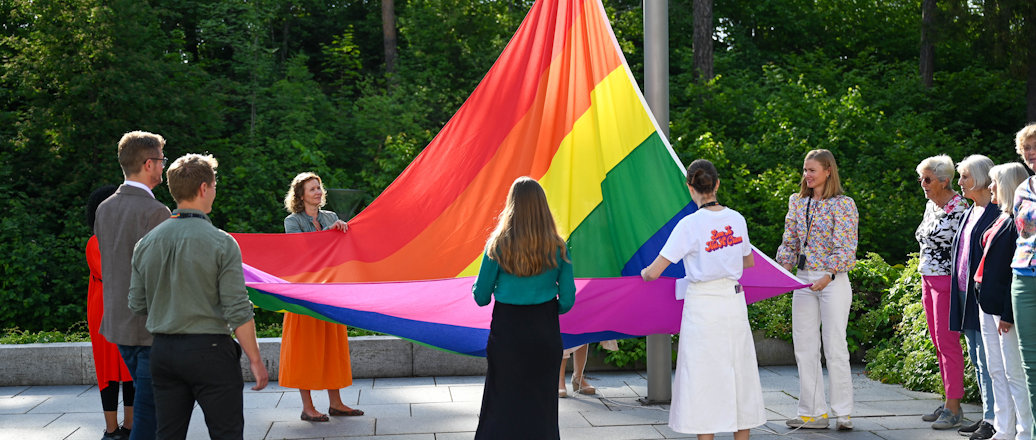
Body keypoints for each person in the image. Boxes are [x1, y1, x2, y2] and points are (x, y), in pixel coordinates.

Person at [128, 154, 269, 439]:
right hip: (211, 352)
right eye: (215, 185)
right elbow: (237, 309)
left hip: (163, 352)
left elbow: (137, 304)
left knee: (168, 434)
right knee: (226, 432)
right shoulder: (222, 242)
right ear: (204, 188)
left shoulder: (146, 243)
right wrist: (255, 359)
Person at [641, 159, 765, 440]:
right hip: (733, 304)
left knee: (702, 378)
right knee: (738, 374)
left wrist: (644, 273)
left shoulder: (689, 225)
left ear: (690, 188)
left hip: (702, 308)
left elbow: (655, 271)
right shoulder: (737, 219)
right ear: (717, 184)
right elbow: (748, 261)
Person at [472, 176, 575, 440]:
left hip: (507, 333)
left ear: (511, 205)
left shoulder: (497, 245)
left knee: (502, 402)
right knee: (541, 405)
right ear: (542, 207)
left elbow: (481, 297)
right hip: (544, 330)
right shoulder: (558, 246)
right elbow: (567, 300)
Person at [94, 131, 172, 440]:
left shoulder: (105, 207)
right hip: (148, 328)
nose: (164, 168)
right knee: (149, 414)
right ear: (149, 164)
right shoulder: (156, 212)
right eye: (162, 161)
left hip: (117, 325)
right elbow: (163, 276)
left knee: (146, 404)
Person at [775, 149, 858, 431]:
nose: (806, 175)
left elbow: (846, 248)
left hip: (833, 281)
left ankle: (843, 413)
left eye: (812, 170)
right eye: (805, 170)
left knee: (835, 347)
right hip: (803, 281)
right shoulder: (797, 202)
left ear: (828, 171)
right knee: (805, 348)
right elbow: (789, 243)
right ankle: (812, 413)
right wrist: (780, 269)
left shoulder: (843, 204)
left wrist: (827, 275)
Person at [279, 172, 360, 422]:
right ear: (300, 195)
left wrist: (343, 231)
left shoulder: (332, 217)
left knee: (332, 349)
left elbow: (340, 252)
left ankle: (336, 403)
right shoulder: (291, 221)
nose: (318, 192)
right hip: (304, 294)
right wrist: (330, 232)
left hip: (329, 292)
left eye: (319, 188)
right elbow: (302, 251)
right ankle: (308, 407)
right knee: (306, 350)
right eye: (312, 189)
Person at [911, 155, 971, 430]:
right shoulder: (931, 207)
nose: (922, 184)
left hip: (947, 281)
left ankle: (954, 407)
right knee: (938, 343)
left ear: (945, 180)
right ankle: (948, 401)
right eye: (921, 178)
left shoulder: (961, 209)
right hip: (928, 278)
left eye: (927, 179)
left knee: (948, 344)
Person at [976, 162, 1031, 440]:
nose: (989, 187)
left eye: (994, 182)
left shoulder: (1016, 223)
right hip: (987, 304)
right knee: (996, 369)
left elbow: (1016, 272)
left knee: (1014, 373)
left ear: (1007, 184)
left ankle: (1024, 432)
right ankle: (1003, 428)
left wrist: (1009, 313)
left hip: (1003, 308)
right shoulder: (1000, 216)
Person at [949, 155, 999, 437]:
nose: (960, 182)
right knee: (977, 358)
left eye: (965, 176)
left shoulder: (994, 211)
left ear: (980, 178)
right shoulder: (971, 210)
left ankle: (993, 419)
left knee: (989, 358)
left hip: (981, 297)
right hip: (964, 294)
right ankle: (986, 414)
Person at [86, 184, 135, 440]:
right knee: (107, 370)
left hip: (128, 312)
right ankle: (111, 429)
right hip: (103, 314)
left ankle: (129, 426)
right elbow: (112, 273)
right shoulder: (95, 242)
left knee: (129, 369)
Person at [1010, 123, 1036, 429]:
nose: (1031, 153)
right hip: (1024, 277)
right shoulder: (1022, 188)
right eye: (1026, 148)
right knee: (1031, 363)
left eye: (1035, 146)